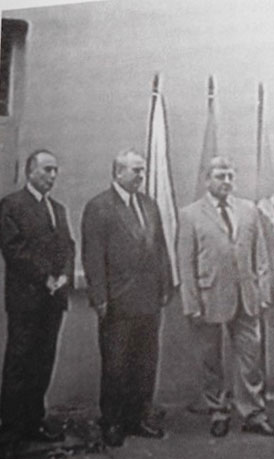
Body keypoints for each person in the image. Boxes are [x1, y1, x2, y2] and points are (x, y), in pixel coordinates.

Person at [178, 156, 274, 438]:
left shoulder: (249, 210)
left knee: (250, 358)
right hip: (208, 296)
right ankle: (218, 411)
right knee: (210, 359)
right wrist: (191, 303)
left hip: (246, 297)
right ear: (207, 180)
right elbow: (185, 263)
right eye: (219, 176)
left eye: (229, 176)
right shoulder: (190, 214)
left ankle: (253, 413)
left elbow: (261, 255)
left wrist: (262, 293)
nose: (226, 182)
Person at [81, 148, 171, 447]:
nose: (141, 176)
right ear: (118, 172)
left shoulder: (149, 204)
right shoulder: (99, 207)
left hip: (149, 301)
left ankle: (138, 418)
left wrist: (165, 285)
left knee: (145, 364)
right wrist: (100, 298)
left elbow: (160, 248)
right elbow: (93, 256)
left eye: (143, 170)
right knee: (116, 366)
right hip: (118, 302)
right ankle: (113, 422)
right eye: (136, 170)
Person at [0, 149, 74, 444]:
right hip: (26, 300)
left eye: (55, 170)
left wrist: (65, 275)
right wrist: (46, 277)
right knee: (20, 361)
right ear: (30, 171)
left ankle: (33, 421)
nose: (52, 176)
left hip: (53, 300)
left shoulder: (58, 209)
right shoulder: (11, 205)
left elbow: (68, 246)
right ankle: (11, 428)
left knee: (43, 361)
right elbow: (14, 249)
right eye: (46, 169)